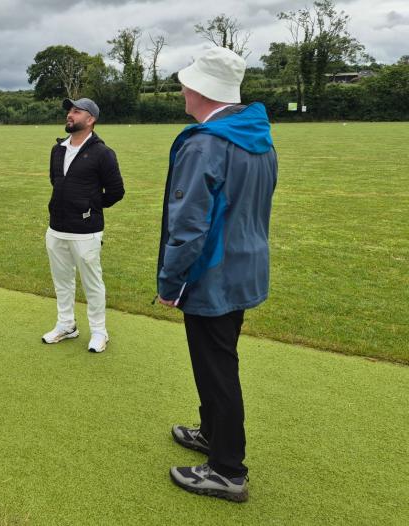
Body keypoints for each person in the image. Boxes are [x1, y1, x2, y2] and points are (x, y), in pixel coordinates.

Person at [156, 47, 278, 502]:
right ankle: (211, 432)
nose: (183, 92)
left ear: (201, 89)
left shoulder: (204, 143)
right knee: (218, 359)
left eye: (187, 84)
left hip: (211, 275)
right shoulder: (257, 136)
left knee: (216, 368)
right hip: (244, 267)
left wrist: (171, 283)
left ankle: (227, 470)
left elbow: (189, 226)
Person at [41, 98, 124, 353]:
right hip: (56, 228)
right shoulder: (58, 149)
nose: (70, 114)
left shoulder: (103, 153)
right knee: (62, 281)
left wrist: (89, 206)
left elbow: (116, 191)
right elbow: (56, 181)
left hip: (86, 231)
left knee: (92, 284)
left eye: (76, 111)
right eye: (70, 110)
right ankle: (66, 325)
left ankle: (99, 331)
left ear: (90, 119)